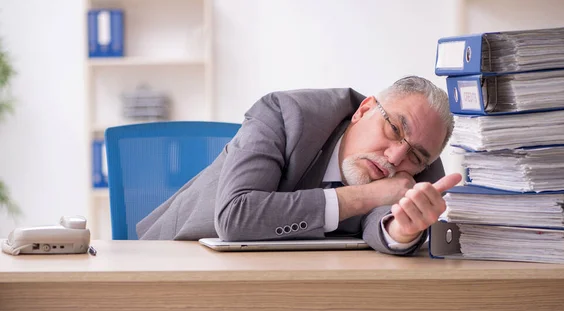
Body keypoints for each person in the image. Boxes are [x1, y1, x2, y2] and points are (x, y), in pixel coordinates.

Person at [137, 75, 462, 255]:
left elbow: (386, 222)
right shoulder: (285, 114)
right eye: (393, 129)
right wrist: (364, 197)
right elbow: (236, 216)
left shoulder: (417, 172)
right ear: (363, 110)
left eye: (416, 156)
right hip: (174, 257)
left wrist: (401, 230)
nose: (394, 159)